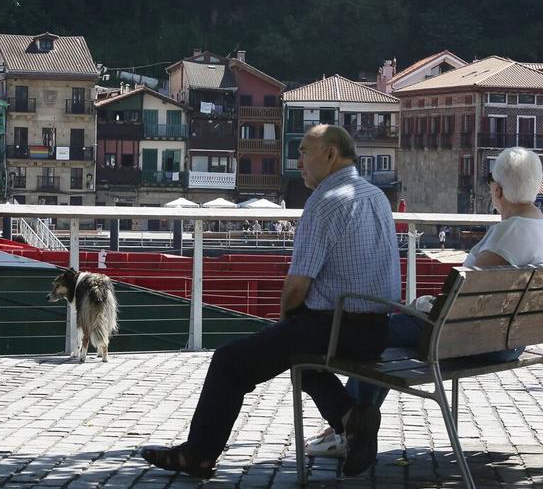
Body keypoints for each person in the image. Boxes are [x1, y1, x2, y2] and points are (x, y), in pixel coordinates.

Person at [140, 124, 401, 478]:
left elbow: (296, 287)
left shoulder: (324, 202)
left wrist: (286, 323)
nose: (299, 163)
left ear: (330, 154)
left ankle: (198, 455)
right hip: (378, 330)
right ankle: (350, 417)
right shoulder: (375, 197)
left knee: (230, 361)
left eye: (305, 153)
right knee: (300, 360)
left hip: (334, 327)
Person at [306, 146, 543, 456]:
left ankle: (345, 427)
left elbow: (460, 302)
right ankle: (349, 425)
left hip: (472, 339)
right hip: (511, 339)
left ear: (497, 189)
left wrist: (421, 307)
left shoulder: (506, 236)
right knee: (383, 339)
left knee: (371, 334)